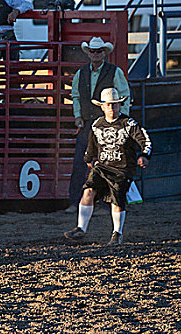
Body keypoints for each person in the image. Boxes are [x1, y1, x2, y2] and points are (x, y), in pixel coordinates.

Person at [63, 88, 152, 245]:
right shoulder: (97, 125)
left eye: (115, 105)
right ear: (102, 107)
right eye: (109, 105)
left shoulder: (129, 124)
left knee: (117, 199)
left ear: (119, 106)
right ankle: (80, 228)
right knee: (88, 190)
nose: (112, 108)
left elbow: (145, 141)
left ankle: (117, 232)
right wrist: (88, 158)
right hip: (102, 167)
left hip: (123, 169)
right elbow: (91, 146)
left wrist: (144, 155)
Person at [65, 37, 130, 214]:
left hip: (107, 125)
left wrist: (119, 120)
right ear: (89, 53)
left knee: (107, 163)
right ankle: (75, 202)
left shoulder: (114, 72)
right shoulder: (82, 73)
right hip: (88, 124)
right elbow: (76, 96)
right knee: (80, 162)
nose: (96, 54)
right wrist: (78, 115)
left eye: (99, 51)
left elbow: (124, 96)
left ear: (104, 53)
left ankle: (103, 203)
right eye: (93, 51)